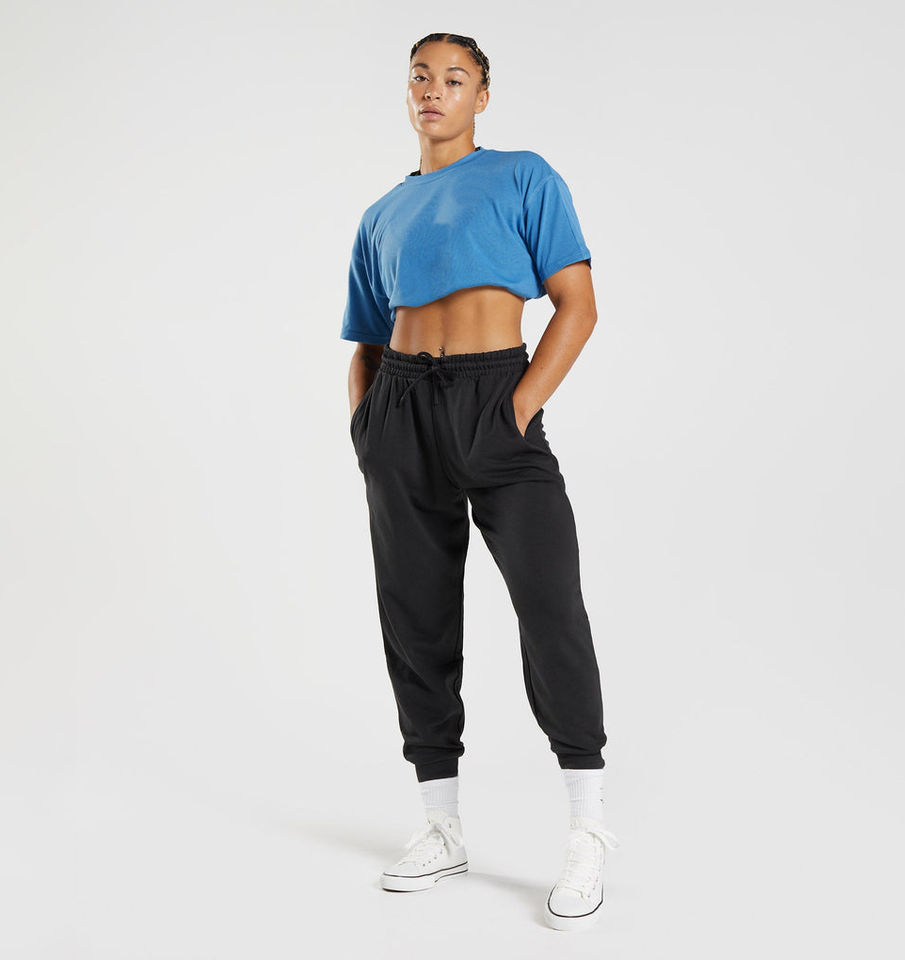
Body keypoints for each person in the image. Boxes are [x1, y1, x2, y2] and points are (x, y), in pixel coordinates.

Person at [341, 32, 617, 931]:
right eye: (420, 77)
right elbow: (367, 341)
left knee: (550, 605)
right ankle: (441, 824)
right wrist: (368, 430)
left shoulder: (523, 176)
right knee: (415, 615)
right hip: (400, 412)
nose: (433, 90)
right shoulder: (381, 214)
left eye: (453, 78)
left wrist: (519, 407)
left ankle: (587, 827)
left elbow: (577, 304)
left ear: (482, 95)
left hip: (495, 397)